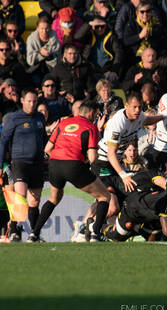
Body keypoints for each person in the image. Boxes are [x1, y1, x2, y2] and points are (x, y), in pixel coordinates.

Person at [29, 100, 112, 242]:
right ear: (91, 113)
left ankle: (34, 234)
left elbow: (47, 149)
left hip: (54, 164)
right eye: (96, 115)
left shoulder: (63, 123)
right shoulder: (91, 127)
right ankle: (95, 234)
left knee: (54, 199)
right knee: (104, 196)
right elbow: (92, 158)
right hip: (73, 165)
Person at [94, 91, 167, 192]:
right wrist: (123, 175)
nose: (137, 110)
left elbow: (148, 120)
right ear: (126, 105)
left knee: (124, 195)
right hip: (103, 163)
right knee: (109, 196)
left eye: (140, 107)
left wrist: (165, 115)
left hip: (117, 163)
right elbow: (111, 154)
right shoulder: (118, 122)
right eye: (134, 107)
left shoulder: (139, 116)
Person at [0, 88, 47, 242]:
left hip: (37, 164)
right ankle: (14, 230)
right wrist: (0, 165)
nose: (32, 104)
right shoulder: (14, 118)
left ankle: (34, 234)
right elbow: (3, 142)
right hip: (20, 162)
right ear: (22, 101)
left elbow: (44, 140)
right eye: (29, 101)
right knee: (20, 196)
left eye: (34, 101)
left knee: (34, 202)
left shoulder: (40, 117)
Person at [26, 17, 61, 86]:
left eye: (47, 28)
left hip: (51, 68)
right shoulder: (31, 40)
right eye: (42, 29)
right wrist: (41, 54)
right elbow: (30, 61)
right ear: (37, 28)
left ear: (50, 28)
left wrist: (49, 56)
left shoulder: (55, 39)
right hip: (35, 68)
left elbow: (58, 61)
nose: (44, 31)